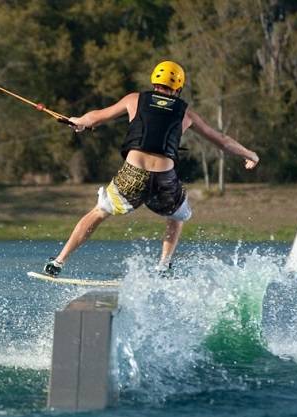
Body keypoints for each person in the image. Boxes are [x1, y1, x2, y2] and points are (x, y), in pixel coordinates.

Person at [43, 61, 260, 277]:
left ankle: (58, 262)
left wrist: (78, 121)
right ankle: (163, 266)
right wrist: (249, 154)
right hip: (165, 179)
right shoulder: (186, 113)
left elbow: (96, 117)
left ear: (154, 81)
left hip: (132, 174)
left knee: (100, 211)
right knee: (177, 214)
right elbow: (221, 140)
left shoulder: (134, 99)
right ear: (178, 88)